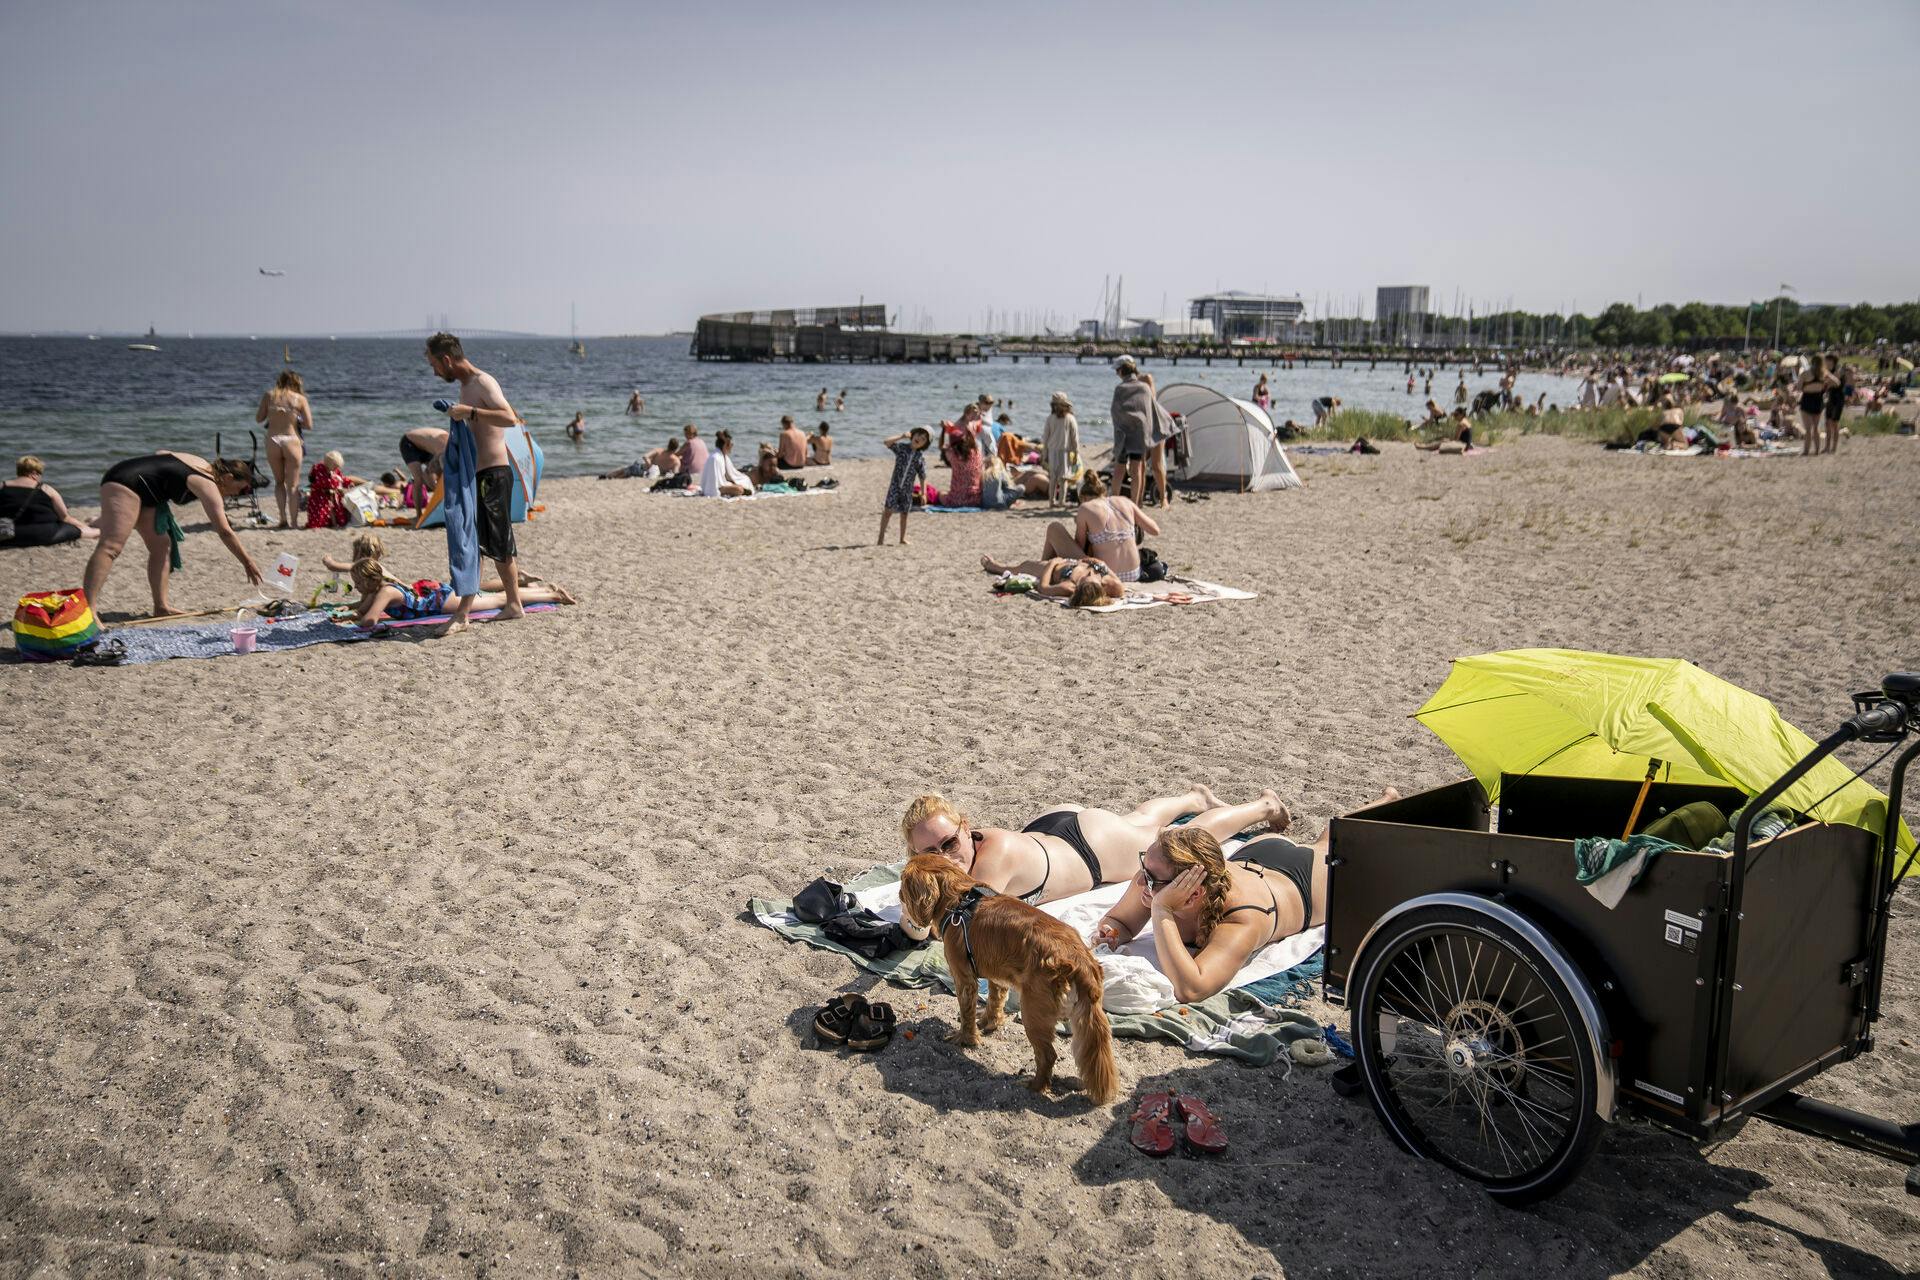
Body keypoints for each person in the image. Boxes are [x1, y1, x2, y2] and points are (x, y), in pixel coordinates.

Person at [1091, 790, 1398, 1004]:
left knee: (1333, 840)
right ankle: (1264, 805)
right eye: (1144, 871)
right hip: (1255, 853)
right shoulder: (1154, 876)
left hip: (1298, 881)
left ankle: (1387, 803)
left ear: (1192, 892)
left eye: (1152, 882)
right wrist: (1113, 931)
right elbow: (1121, 921)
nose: (1142, 884)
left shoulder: (1243, 918)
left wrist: (1162, 913)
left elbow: (1192, 988)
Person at [898, 786, 1237, 909]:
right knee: (1139, 820)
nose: (943, 858)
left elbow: (954, 924)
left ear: (966, 828)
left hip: (1093, 850)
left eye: (950, 843)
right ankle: (1193, 797)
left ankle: (1263, 807)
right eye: (929, 854)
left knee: (1181, 840)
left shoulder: (993, 860)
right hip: (1053, 828)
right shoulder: (970, 849)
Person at [425, 332, 526, 629]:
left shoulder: (482, 382)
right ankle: (493, 607)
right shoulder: (465, 387)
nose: (434, 371)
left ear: (446, 359)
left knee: (495, 542)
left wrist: (469, 412)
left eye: (434, 364)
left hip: (494, 473)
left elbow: (509, 418)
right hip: (478, 474)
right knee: (479, 541)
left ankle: (496, 607)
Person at [82, 452, 264, 615]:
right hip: (125, 482)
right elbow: (224, 531)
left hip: (146, 490)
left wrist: (160, 486)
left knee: (161, 545)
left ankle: (161, 607)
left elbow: (162, 454)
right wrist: (247, 562)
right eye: (242, 489)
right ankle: (89, 610)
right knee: (111, 547)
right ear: (228, 477)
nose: (238, 495)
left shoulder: (201, 463)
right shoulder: (208, 483)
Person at [346, 555, 573, 626]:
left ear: (369, 580)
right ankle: (545, 589)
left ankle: (552, 595)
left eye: (357, 582)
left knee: (498, 600)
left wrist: (356, 622)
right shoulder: (376, 590)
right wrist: (350, 614)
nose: (355, 587)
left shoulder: (385, 592)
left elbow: (370, 620)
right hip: (435, 593)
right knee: (494, 597)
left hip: (442, 601)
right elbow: (362, 612)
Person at [1038, 471, 1159, 582]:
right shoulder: (1124, 501)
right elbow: (1155, 530)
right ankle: (1042, 568)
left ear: (1083, 498)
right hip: (1134, 573)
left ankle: (1041, 569)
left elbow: (1080, 547)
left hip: (1107, 575)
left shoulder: (1086, 508)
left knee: (1054, 528)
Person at [255, 370, 312, 529]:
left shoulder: (269, 395)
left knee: (279, 482)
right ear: (296, 383)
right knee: (293, 485)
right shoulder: (300, 399)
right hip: (292, 440)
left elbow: (259, 419)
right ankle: (294, 523)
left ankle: (282, 519)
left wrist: (274, 415)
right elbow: (309, 425)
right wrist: (294, 418)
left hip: (273, 440)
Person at [1, 455, 96, 547]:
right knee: (75, 530)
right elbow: (65, 518)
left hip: (7, 535)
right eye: (40, 474)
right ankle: (98, 532)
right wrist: (84, 526)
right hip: (42, 534)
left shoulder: (2, 486)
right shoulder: (46, 489)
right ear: (34, 473)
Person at [978, 552, 1125, 605]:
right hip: (1073, 559)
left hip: (1053, 567)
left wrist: (1051, 563)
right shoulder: (1111, 584)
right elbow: (1116, 581)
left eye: (1089, 576)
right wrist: (1101, 564)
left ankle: (994, 566)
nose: (1092, 573)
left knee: (1020, 567)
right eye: (1093, 574)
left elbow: (1044, 588)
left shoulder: (1069, 586)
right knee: (1054, 529)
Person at [1109, 356, 1152, 505]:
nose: (1116, 374)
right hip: (1139, 434)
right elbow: (1148, 412)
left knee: (1119, 470)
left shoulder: (1120, 389)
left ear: (1122, 371)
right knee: (1136, 470)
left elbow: (1114, 412)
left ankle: (1113, 502)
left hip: (1123, 435)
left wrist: (1121, 427)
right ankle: (1134, 504)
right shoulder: (1145, 388)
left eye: (1117, 371)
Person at [877, 427, 931, 546]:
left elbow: (923, 476)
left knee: (904, 514)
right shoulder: (902, 448)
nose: (919, 439)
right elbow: (886, 442)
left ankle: (902, 538)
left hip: (907, 489)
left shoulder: (920, 457)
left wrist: (924, 493)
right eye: (918, 435)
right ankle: (881, 537)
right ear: (912, 435)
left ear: (924, 444)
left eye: (923, 439)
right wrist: (901, 436)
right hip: (895, 486)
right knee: (888, 511)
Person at [397, 426, 448, 521]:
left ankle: (442, 508)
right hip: (409, 444)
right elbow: (432, 469)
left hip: (427, 447)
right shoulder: (443, 451)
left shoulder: (449, 448)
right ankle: (419, 515)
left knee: (438, 479)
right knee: (418, 479)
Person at [305, 451, 365, 529]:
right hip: (320, 497)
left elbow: (341, 478)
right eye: (336, 466)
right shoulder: (319, 469)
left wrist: (348, 483)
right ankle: (324, 523)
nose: (337, 468)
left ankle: (333, 522)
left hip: (332, 495)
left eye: (338, 466)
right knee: (320, 515)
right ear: (329, 464)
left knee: (339, 515)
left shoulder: (335, 470)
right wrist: (336, 482)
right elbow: (324, 482)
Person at [1141, 371, 1175, 507]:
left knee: (1156, 465)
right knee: (1140, 465)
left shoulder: (1146, 381)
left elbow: (1151, 392)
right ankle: (1139, 499)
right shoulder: (1129, 387)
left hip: (1157, 427)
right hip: (1144, 428)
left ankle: (1163, 499)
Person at [1040, 392, 1079, 506]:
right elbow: (1075, 438)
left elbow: (1045, 439)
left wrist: (1044, 454)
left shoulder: (1050, 418)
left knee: (1053, 478)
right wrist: (1076, 453)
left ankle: (1051, 501)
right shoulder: (1071, 418)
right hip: (1065, 452)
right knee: (1063, 479)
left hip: (1053, 451)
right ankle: (1061, 501)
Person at [1798, 356, 1836, 456]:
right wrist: (1825, 386)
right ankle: (1817, 451)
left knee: (1808, 429)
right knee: (1815, 427)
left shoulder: (1805, 373)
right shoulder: (1824, 373)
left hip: (1807, 399)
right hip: (1818, 399)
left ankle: (1806, 451)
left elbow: (1799, 388)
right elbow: (1836, 382)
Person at [700, 430, 754, 497]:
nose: (732, 446)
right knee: (739, 489)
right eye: (731, 444)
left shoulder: (723, 456)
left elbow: (731, 474)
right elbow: (713, 485)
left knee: (745, 479)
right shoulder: (715, 458)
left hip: (721, 485)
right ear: (725, 445)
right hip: (716, 488)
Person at [941, 426, 984, 507]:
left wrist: (943, 430)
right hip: (976, 500)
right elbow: (973, 442)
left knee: (941, 493)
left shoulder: (952, 454)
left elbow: (942, 446)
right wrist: (970, 432)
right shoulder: (976, 452)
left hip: (956, 500)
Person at [1825, 359, 1852, 454]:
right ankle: (1827, 447)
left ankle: (1833, 448)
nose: (1826, 363)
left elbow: (1832, 383)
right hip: (1831, 399)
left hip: (1838, 399)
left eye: (1827, 361)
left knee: (1834, 423)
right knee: (1827, 423)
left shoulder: (1838, 371)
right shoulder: (1831, 372)